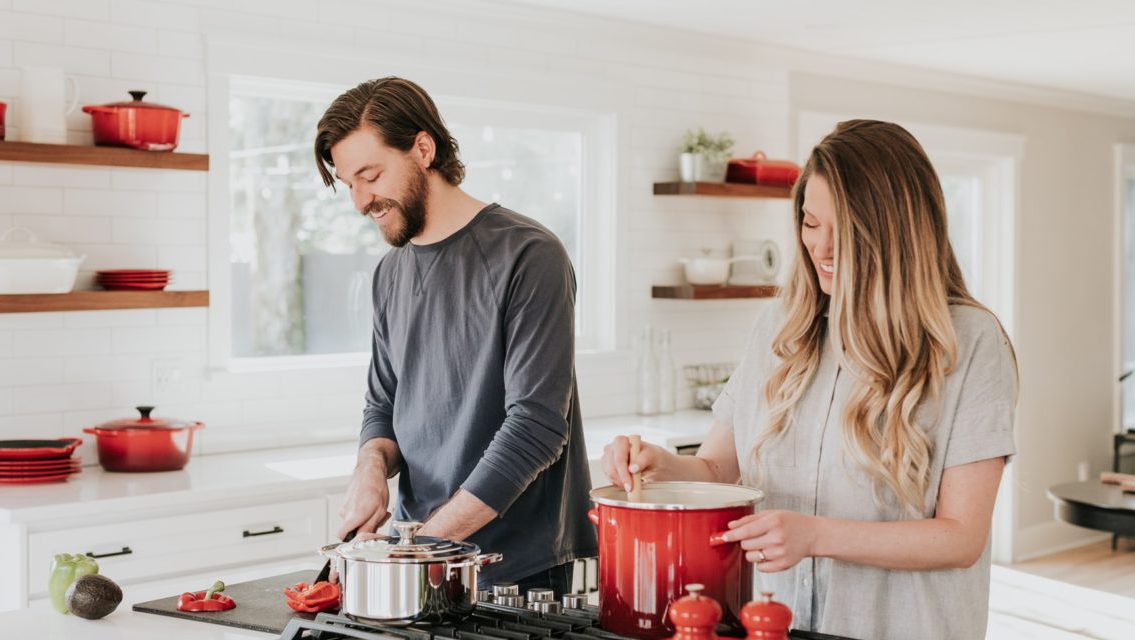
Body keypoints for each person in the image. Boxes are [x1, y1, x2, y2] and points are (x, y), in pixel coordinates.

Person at [602, 120, 1018, 640]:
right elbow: (717, 466)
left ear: (898, 233)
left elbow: (961, 537)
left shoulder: (969, 341)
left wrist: (816, 535)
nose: (821, 248)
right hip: (776, 624)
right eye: (810, 223)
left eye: (845, 230)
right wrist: (661, 467)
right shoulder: (781, 326)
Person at [313, 77, 597, 596]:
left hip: (516, 569)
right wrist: (370, 470)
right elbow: (384, 404)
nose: (359, 202)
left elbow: (536, 427)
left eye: (370, 175)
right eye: (347, 183)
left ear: (423, 149)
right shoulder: (389, 272)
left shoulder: (529, 255)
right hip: (416, 554)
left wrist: (419, 549)